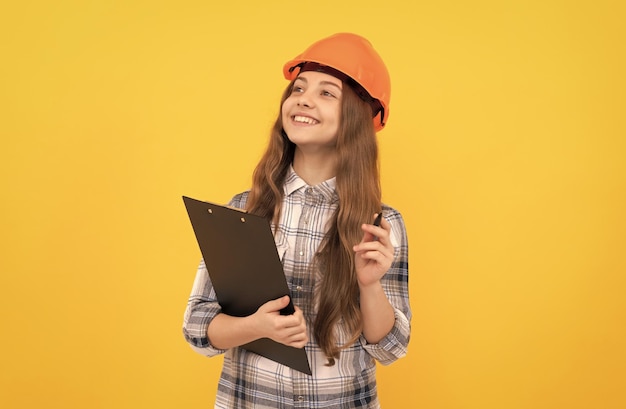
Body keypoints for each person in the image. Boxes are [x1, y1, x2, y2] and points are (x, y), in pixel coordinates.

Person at [183, 32, 411, 408]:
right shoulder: (245, 209)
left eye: (326, 93)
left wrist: (370, 286)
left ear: (357, 118)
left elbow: (390, 348)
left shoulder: (381, 225)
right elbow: (196, 325)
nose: (303, 98)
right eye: (298, 88)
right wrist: (254, 327)